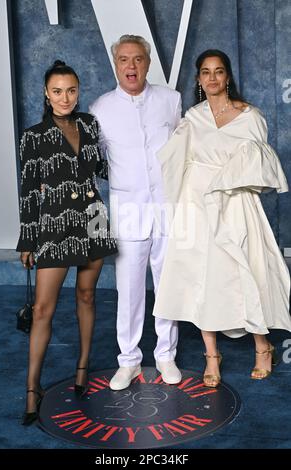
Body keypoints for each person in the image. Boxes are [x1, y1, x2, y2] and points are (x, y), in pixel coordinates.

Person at [153, 49, 291, 387]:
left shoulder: (250, 116)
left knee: (248, 272)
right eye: (205, 72)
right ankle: (211, 355)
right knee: (203, 278)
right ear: (199, 79)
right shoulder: (193, 118)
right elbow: (176, 163)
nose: (212, 78)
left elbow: (260, 166)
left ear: (228, 76)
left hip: (236, 204)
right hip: (196, 204)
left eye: (218, 71)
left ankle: (263, 346)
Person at [16, 60, 117, 425]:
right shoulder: (33, 136)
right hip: (54, 226)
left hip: (92, 220)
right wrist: (27, 239)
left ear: (78, 90)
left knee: (87, 296)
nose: (65, 98)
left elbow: (105, 168)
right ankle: (32, 387)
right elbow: (28, 193)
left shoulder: (90, 124)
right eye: (57, 91)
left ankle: (82, 367)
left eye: (71, 90)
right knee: (43, 309)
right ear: (46, 93)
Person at [90, 35, 182, 390]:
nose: (131, 66)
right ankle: (128, 361)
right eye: (124, 60)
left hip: (168, 207)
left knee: (167, 284)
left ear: (148, 63)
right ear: (116, 65)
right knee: (129, 290)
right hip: (127, 210)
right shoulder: (100, 109)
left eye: (138, 59)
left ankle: (165, 355)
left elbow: (179, 147)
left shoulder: (170, 100)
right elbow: (95, 159)